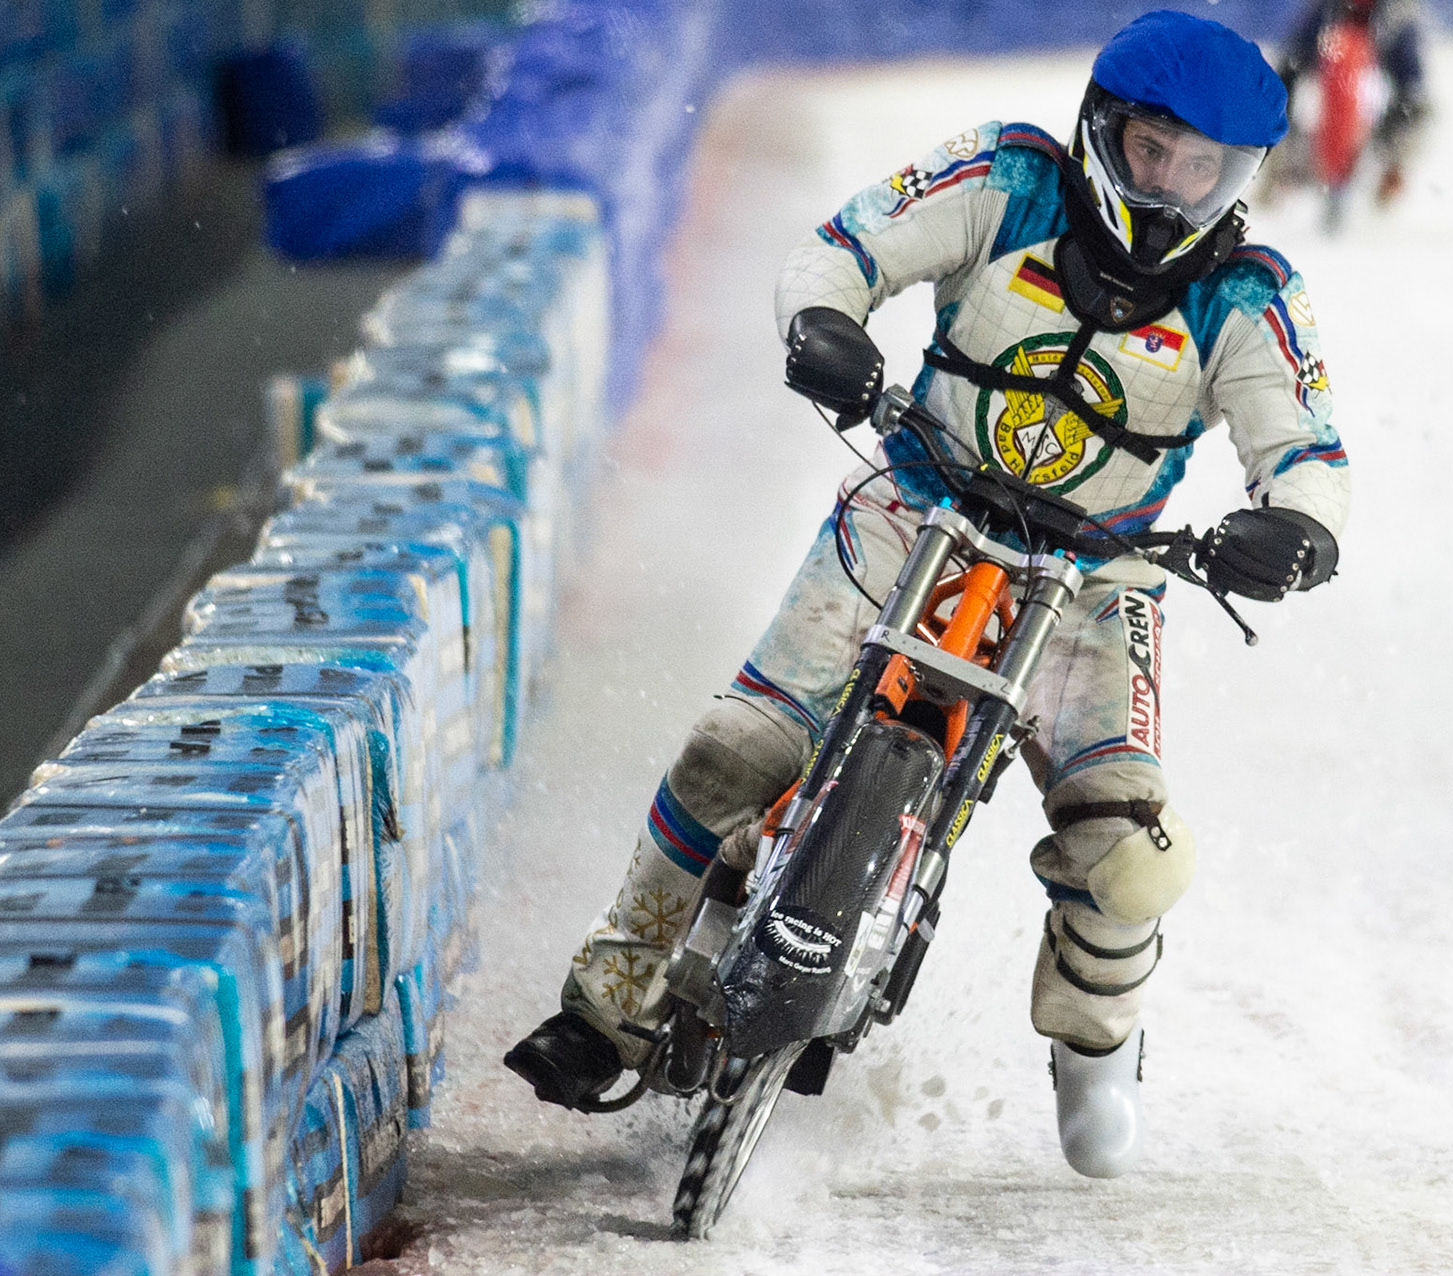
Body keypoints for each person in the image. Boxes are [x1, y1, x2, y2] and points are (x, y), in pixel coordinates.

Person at [505, 8, 1350, 1179]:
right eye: (1151, 150)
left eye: (1201, 168)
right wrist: (825, 325)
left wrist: (1296, 528)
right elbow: (844, 248)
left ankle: (1096, 1046)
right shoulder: (1005, 180)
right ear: (1102, 127)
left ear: (1240, 175)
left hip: (1097, 576)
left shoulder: (1250, 296)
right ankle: (609, 1001)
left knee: (1130, 854)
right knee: (731, 749)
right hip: (913, 505)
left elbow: (1306, 445)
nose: (1167, 188)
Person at [1270, 0, 1431, 205]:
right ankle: (1281, 167)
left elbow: (1413, 95)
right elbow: (1287, 75)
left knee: (1412, 100)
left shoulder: (1399, 19)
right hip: (1318, 132)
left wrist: (1397, 159)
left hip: (1374, 137)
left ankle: (1389, 172)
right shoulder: (1323, 13)